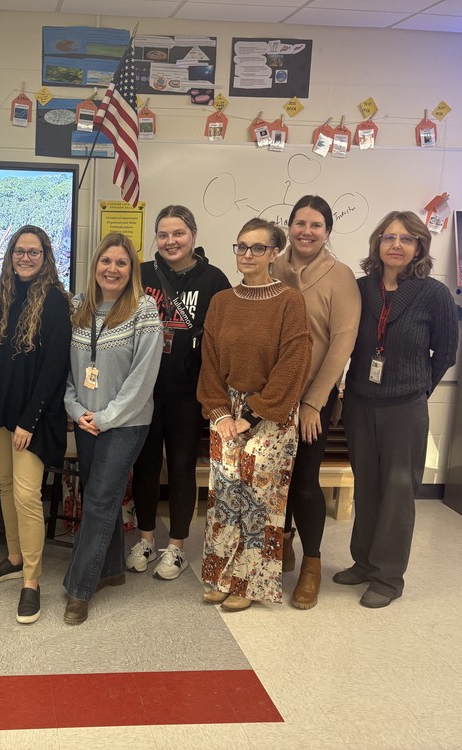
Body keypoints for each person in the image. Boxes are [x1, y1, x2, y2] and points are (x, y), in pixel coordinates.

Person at [335, 211, 458, 608]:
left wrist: (418, 389)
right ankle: (363, 562)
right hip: (359, 403)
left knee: (398, 492)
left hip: (405, 408)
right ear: (378, 243)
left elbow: (446, 352)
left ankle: (388, 578)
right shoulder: (360, 289)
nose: (396, 245)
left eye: (407, 239)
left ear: (419, 247)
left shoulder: (433, 294)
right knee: (366, 486)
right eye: (389, 237)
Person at [197, 218, 312, 612]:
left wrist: (254, 413)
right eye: (241, 246)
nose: (247, 254)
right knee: (226, 496)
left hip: (271, 412)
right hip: (226, 410)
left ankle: (248, 583)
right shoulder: (221, 302)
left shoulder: (290, 302)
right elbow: (210, 361)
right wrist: (219, 412)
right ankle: (221, 576)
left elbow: (294, 361)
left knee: (259, 499)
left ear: (274, 253)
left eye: (258, 248)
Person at [62, 233, 162, 625]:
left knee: (100, 501)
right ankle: (112, 569)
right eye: (106, 261)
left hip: (125, 423)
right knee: (100, 496)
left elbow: (143, 378)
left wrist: (105, 417)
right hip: (85, 421)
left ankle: (79, 588)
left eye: (121, 262)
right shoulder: (77, 307)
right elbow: (67, 370)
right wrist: (76, 410)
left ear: (131, 269)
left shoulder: (143, 309)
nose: (112, 269)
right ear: (95, 266)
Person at [128, 205, 231, 581]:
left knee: (182, 467)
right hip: (143, 390)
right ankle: (145, 539)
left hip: (188, 393)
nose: (170, 241)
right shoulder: (141, 274)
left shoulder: (214, 280)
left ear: (193, 236)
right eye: (163, 234)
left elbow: (222, 339)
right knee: (144, 465)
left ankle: (176, 547)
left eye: (178, 234)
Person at [0, 226, 71, 624]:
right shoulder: (1, 297)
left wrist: (29, 419)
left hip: (32, 418)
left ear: (45, 256)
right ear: (10, 255)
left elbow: (54, 369)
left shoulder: (56, 302)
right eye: (19, 251)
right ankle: (15, 558)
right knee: (6, 486)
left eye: (34, 252)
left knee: (27, 495)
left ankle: (31, 580)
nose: (26, 257)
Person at [273, 196, 361, 609]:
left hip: (313, 398)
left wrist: (313, 402)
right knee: (274, 478)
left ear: (327, 232)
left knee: (304, 481)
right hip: (272, 397)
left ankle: (311, 564)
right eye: (300, 223)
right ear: (288, 226)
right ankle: (282, 542)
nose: (306, 231)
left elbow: (342, 343)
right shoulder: (272, 266)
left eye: (316, 225)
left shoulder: (340, 276)